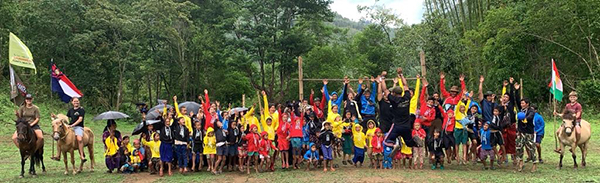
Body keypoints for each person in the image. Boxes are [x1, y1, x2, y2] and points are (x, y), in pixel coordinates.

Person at [379, 68, 415, 156]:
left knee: (386, 141)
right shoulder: (407, 98)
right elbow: (405, 85)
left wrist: (382, 77)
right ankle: (415, 141)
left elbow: (385, 90)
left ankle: (396, 145)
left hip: (397, 126)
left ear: (394, 93)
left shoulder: (393, 100)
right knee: (409, 143)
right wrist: (401, 74)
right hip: (407, 126)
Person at [516, 98, 537, 172]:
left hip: (529, 132)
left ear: (527, 104)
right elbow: (516, 98)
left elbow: (530, 117)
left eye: (523, 103)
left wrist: (524, 118)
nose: (521, 105)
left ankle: (534, 164)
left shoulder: (531, 111)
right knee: (519, 147)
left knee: (531, 148)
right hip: (521, 132)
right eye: (521, 103)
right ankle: (521, 162)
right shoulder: (521, 110)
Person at [67, 97, 87, 163]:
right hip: (70, 127)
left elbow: (80, 119)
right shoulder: (70, 110)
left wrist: (73, 125)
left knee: (79, 139)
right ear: (72, 102)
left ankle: (81, 155)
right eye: (75, 101)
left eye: (77, 101)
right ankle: (58, 155)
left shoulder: (81, 110)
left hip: (78, 127)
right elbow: (67, 118)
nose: (76, 102)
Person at [159, 112, 174, 177]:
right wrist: (161, 115)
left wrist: (172, 116)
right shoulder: (162, 128)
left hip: (169, 144)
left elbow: (175, 121)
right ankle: (161, 169)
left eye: (169, 121)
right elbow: (161, 121)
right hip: (163, 144)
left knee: (169, 157)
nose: (168, 123)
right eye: (166, 121)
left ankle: (169, 170)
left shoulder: (171, 128)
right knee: (162, 157)